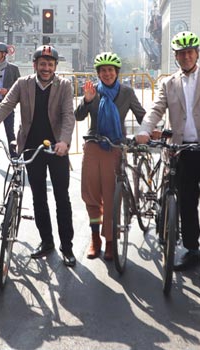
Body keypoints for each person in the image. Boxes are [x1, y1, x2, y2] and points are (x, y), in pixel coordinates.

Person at [134, 31, 200, 281]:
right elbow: (156, 109)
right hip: (182, 152)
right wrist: (145, 129)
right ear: (176, 56)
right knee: (186, 204)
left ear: (197, 53)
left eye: (190, 52)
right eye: (181, 53)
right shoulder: (169, 83)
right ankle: (192, 250)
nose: (186, 56)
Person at [0, 45, 77, 267]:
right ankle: (47, 241)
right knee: (38, 197)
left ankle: (67, 247)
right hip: (31, 147)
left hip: (56, 148)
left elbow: (68, 116)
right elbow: (4, 106)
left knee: (62, 198)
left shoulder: (64, 86)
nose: (46, 68)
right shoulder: (23, 84)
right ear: (34, 65)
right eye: (42, 64)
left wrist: (64, 141)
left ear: (55, 67)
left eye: (50, 64)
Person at [76, 52, 145, 260]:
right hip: (93, 146)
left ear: (117, 72)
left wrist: (149, 132)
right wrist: (87, 101)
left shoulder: (127, 92)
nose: (107, 74)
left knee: (111, 195)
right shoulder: (92, 90)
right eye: (103, 70)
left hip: (115, 147)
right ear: (98, 73)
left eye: (110, 70)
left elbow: (142, 116)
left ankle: (110, 240)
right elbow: (78, 116)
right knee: (91, 194)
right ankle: (95, 238)